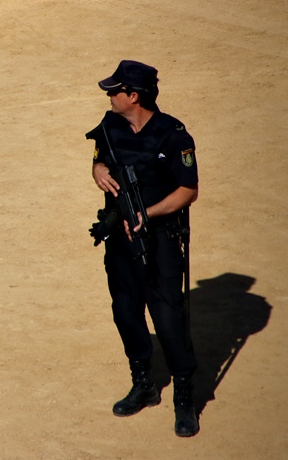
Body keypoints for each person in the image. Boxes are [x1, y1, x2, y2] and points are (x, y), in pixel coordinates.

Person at [85, 60, 200, 437]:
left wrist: (147, 214)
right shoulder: (110, 126)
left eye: (115, 91)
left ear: (133, 96)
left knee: (167, 318)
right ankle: (144, 384)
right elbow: (100, 157)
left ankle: (184, 396)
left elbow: (187, 191)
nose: (109, 95)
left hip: (160, 240)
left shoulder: (173, 136)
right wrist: (98, 169)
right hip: (119, 237)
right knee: (125, 311)